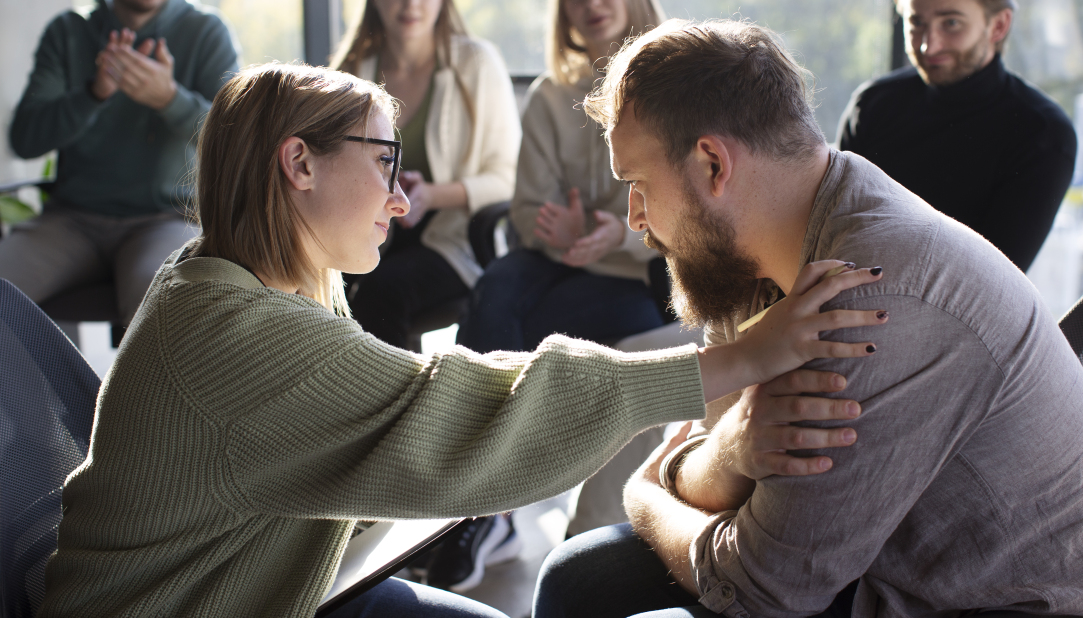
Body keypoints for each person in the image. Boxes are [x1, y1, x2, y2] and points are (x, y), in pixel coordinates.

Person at [36, 62, 886, 618]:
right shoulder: (231, 333)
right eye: (382, 162)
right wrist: (735, 360)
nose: (400, 199)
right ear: (299, 164)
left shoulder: (233, 281)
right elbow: (453, 409)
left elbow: (423, 398)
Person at [532, 18, 1083, 618]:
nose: (635, 218)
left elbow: (759, 591)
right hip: (874, 565)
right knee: (574, 578)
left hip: (976, 605)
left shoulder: (870, 296)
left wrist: (642, 494)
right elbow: (702, 448)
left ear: (713, 164)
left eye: (637, 183)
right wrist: (732, 451)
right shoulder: (764, 241)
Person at [2, 0, 239, 325]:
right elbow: (26, 139)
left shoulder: (205, 32)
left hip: (165, 218)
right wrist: (93, 94)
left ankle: (125, 396)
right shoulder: (69, 32)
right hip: (71, 219)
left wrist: (169, 99)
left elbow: (238, 140)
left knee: (163, 315)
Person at [459, 0, 668, 354]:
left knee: (533, 326)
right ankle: (469, 419)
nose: (592, 1)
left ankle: (510, 419)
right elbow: (527, 207)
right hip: (551, 257)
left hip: (635, 268)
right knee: (489, 299)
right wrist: (565, 234)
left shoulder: (669, 86)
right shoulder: (549, 95)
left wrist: (618, 235)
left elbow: (689, 206)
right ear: (564, 11)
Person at [839, 0, 1077, 273]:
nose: (927, 45)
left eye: (951, 23)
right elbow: (836, 234)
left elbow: (992, 279)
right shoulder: (874, 106)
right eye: (916, 23)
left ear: (998, 25)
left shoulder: (1042, 134)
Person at [330, 0, 520, 349]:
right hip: (367, 228)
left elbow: (508, 178)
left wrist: (433, 195)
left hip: (453, 239)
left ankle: (397, 408)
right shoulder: (354, 70)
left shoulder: (475, 62)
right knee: (309, 281)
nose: (410, 2)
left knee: (382, 291)